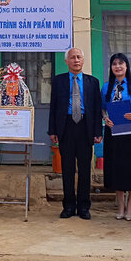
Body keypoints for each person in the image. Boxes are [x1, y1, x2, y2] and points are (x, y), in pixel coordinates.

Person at [49, 47, 103, 220]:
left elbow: (97, 109)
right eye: (73, 57)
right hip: (66, 126)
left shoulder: (93, 82)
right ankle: (69, 206)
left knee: (85, 169)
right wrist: (53, 130)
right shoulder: (58, 81)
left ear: (83, 60)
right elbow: (53, 107)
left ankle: (84, 207)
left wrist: (98, 131)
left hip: (86, 127)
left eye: (79, 57)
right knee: (67, 169)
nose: (76, 60)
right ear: (67, 61)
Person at [101, 53, 131, 221]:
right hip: (113, 130)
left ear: (127, 66)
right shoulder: (106, 87)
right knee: (116, 166)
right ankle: (120, 205)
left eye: (121, 63)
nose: (118, 66)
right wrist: (105, 118)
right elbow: (102, 108)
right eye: (114, 64)